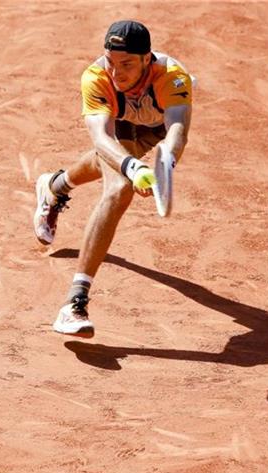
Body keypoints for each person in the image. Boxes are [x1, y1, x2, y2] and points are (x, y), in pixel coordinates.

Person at [32, 20, 193, 338]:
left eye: (127, 64)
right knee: (119, 186)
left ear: (148, 59)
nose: (117, 72)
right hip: (119, 126)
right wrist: (133, 168)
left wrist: (167, 161)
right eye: (111, 61)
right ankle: (74, 303)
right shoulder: (96, 78)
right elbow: (101, 139)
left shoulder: (173, 77)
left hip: (153, 127)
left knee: (110, 167)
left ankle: (55, 186)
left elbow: (177, 130)